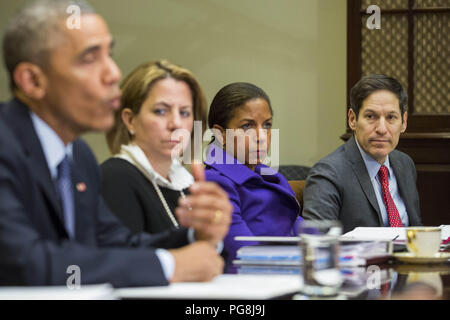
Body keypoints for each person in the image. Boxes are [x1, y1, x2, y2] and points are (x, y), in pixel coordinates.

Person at [0, 0, 232, 287]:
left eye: (109, 54)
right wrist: (171, 265)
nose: (113, 74)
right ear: (33, 80)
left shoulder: (78, 155)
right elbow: (20, 264)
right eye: (89, 58)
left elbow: (113, 245)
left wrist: (195, 235)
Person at [302, 74, 422, 233]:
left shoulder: (405, 164)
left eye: (391, 117)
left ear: (404, 122)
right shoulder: (328, 173)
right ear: (352, 119)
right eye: (371, 116)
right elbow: (318, 244)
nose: (381, 129)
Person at [204, 82, 303, 272]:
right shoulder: (215, 182)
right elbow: (245, 255)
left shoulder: (270, 175)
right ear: (220, 134)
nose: (262, 136)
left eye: (266, 125)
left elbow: (302, 230)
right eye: (247, 126)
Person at [101, 60, 206, 234]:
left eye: (184, 112)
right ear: (130, 120)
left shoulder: (185, 183)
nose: (176, 123)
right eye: (160, 111)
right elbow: (129, 258)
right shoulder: (114, 178)